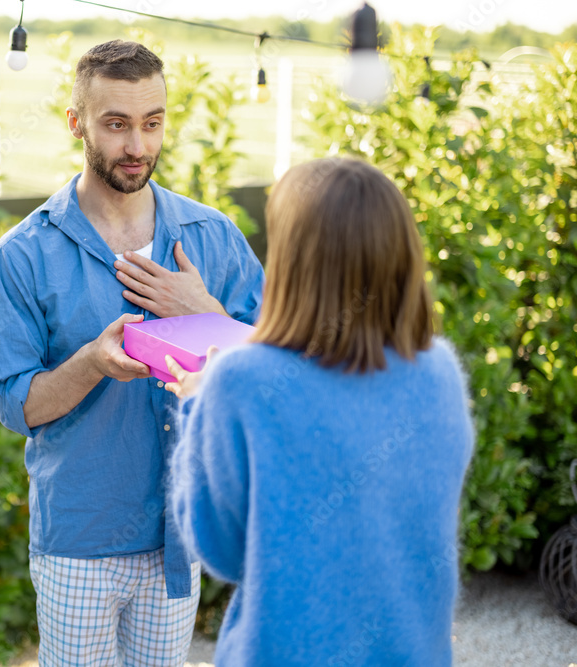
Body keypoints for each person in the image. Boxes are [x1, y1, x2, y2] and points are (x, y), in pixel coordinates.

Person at [0, 40, 264, 666]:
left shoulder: (212, 237)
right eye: (116, 124)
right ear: (75, 122)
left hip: (177, 538)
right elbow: (14, 406)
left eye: (152, 122)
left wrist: (207, 314)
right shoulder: (23, 255)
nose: (138, 145)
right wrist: (90, 364)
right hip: (78, 541)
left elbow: (279, 367)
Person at [165, 157, 475, 666]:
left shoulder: (239, 382)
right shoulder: (440, 373)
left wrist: (197, 406)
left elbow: (219, 549)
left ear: (292, 261)